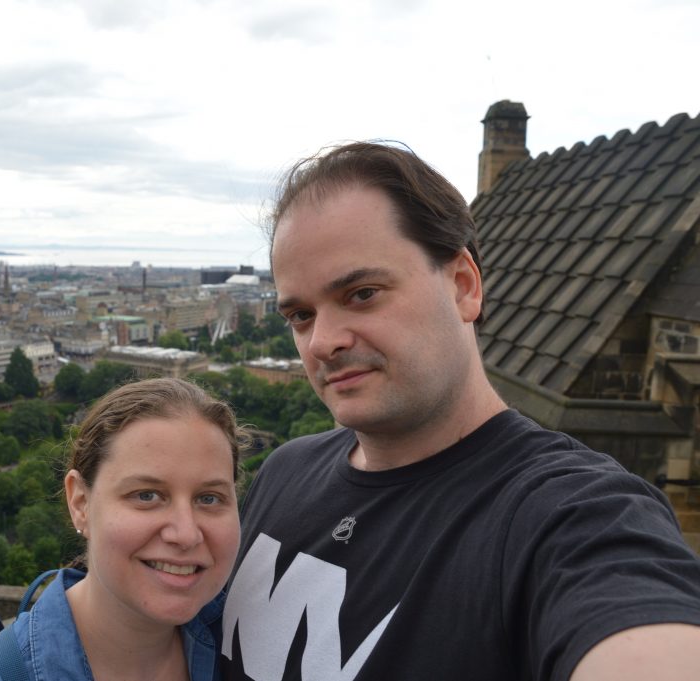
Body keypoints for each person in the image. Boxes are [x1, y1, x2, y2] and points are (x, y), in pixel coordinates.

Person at [220, 141, 700, 681]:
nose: (322, 342)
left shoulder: (565, 513)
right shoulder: (284, 472)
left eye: (362, 293)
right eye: (301, 315)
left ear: (464, 286)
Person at [0, 377, 244, 681]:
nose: (186, 534)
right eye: (146, 495)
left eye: (209, 498)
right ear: (80, 502)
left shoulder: (250, 641)